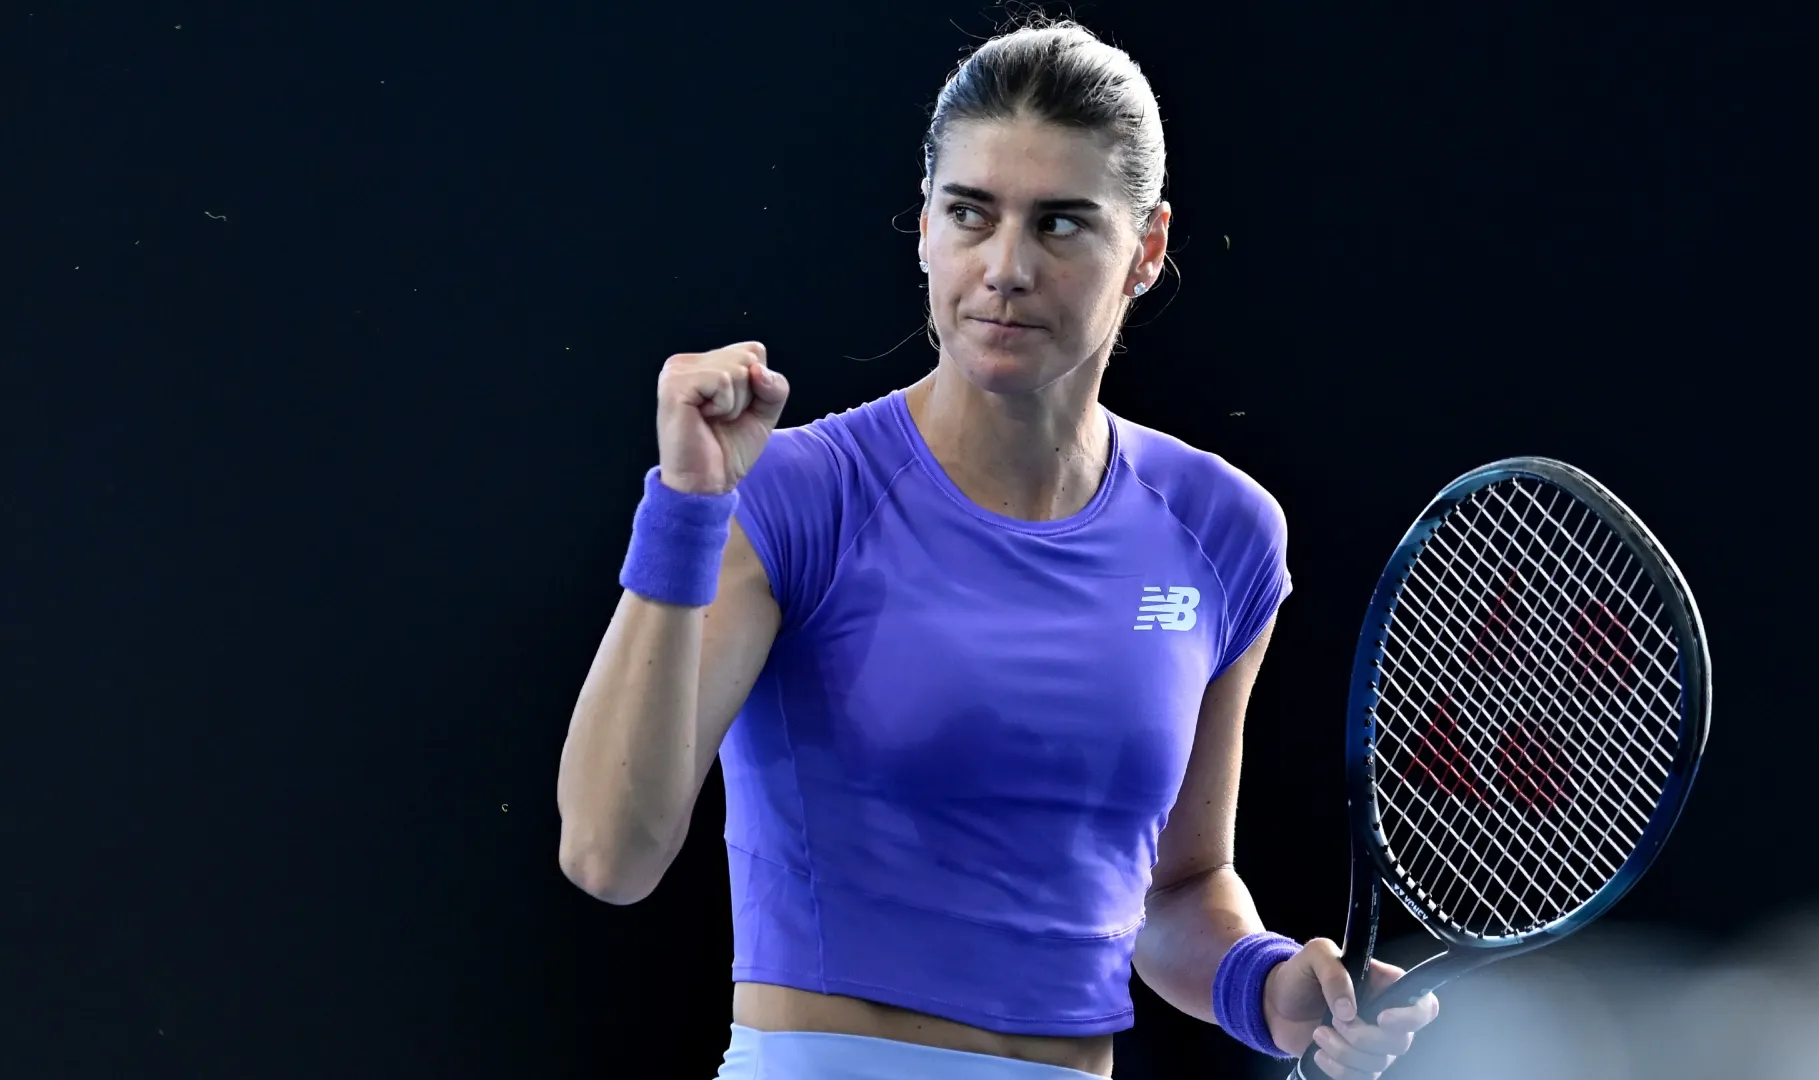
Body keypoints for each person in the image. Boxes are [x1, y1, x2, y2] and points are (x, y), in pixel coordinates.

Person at [556, 19, 1439, 1080]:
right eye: (971, 214)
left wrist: (1274, 989)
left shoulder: (1223, 528)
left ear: (1145, 252)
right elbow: (608, 854)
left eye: (1062, 224)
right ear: (925, 227)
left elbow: (1176, 889)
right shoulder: (789, 492)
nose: (1006, 268)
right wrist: (688, 505)